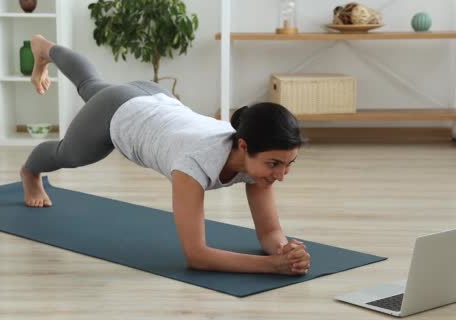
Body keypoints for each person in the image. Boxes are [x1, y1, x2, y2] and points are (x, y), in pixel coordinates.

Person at [21, 35, 311, 276]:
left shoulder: (257, 162)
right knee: (68, 154)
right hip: (119, 113)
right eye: (274, 164)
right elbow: (196, 256)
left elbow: (270, 232)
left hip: (154, 98)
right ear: (245, 146)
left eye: (288, 165)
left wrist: (285, 251)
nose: (281, 175)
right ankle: (30, 173)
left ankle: (44, 48)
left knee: (91, 85)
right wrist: (271, 265)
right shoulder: (194, 164)